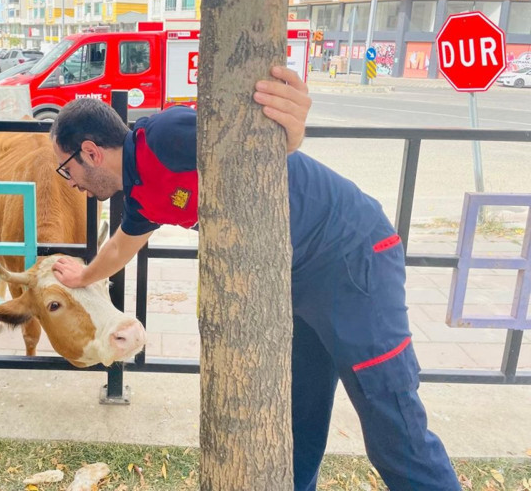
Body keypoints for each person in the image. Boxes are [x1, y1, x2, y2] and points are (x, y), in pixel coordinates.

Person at [49, 67, 461, 491]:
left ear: (91, 152)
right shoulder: (139, 195)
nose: (72, 183)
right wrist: (84, 275)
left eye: (67, 170)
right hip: (292, 279)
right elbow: (121, 246)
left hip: (350, 257)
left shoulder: (163, 135)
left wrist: (291, 133)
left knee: (391, 425)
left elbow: (261, 146)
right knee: (296, 423)